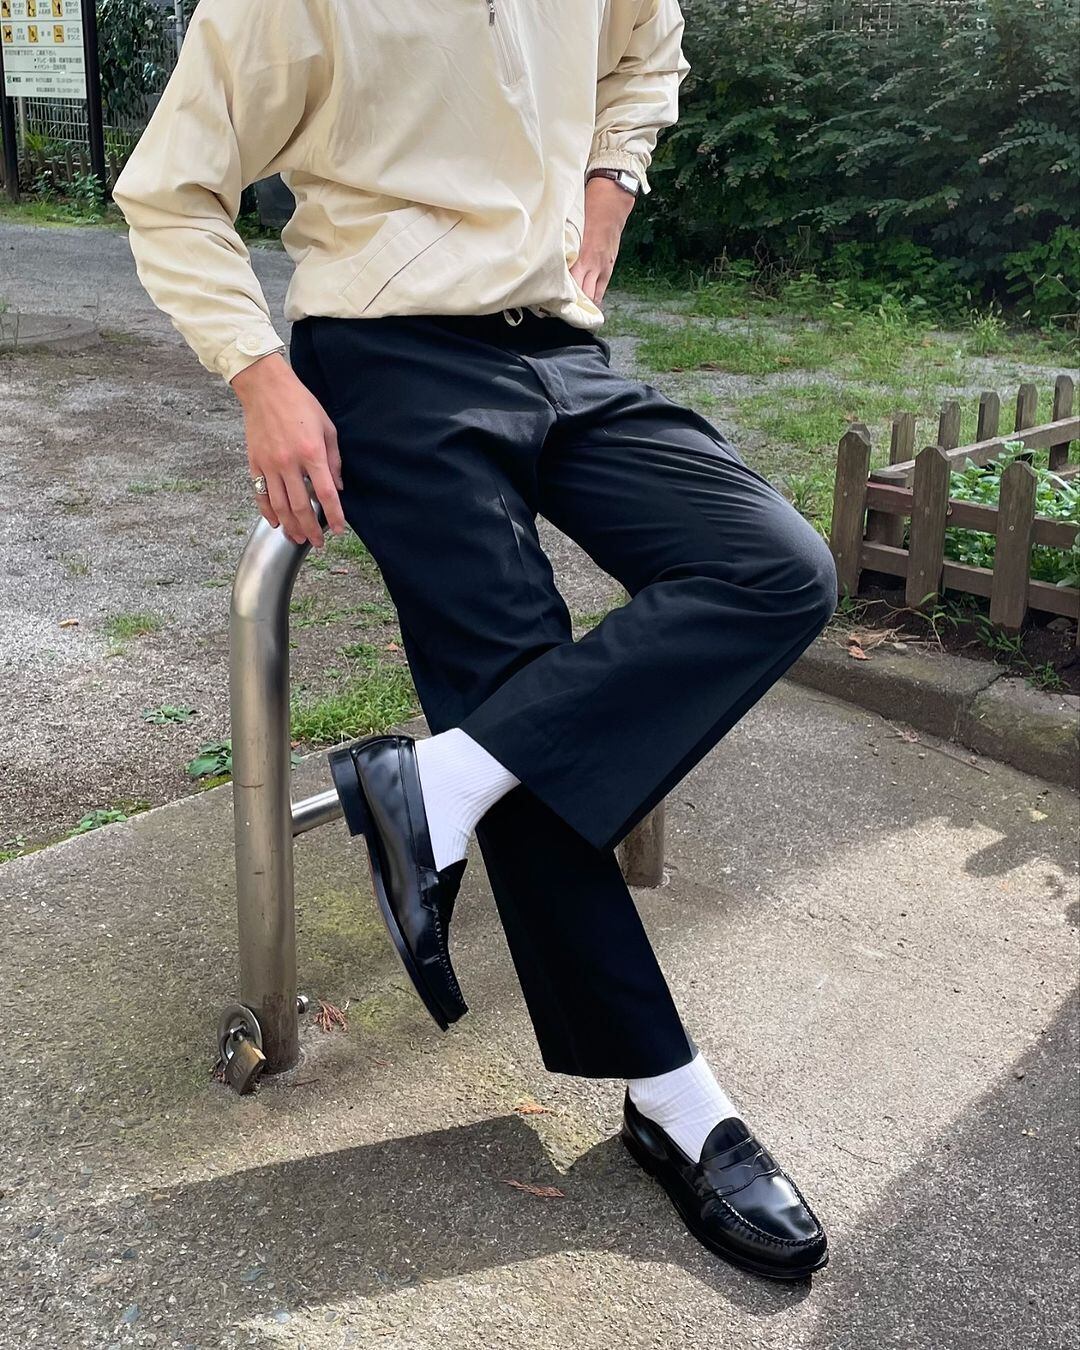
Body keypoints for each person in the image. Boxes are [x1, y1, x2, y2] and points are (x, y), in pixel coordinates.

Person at [113, 0, 838, 1282]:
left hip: (559, 344)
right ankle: (672, 1097)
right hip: (386, 354)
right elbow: (172, 191)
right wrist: (261, 377)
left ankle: (439, 783)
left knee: (777, 568)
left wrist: (609, 191)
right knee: (513, 685)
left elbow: (648, 46)